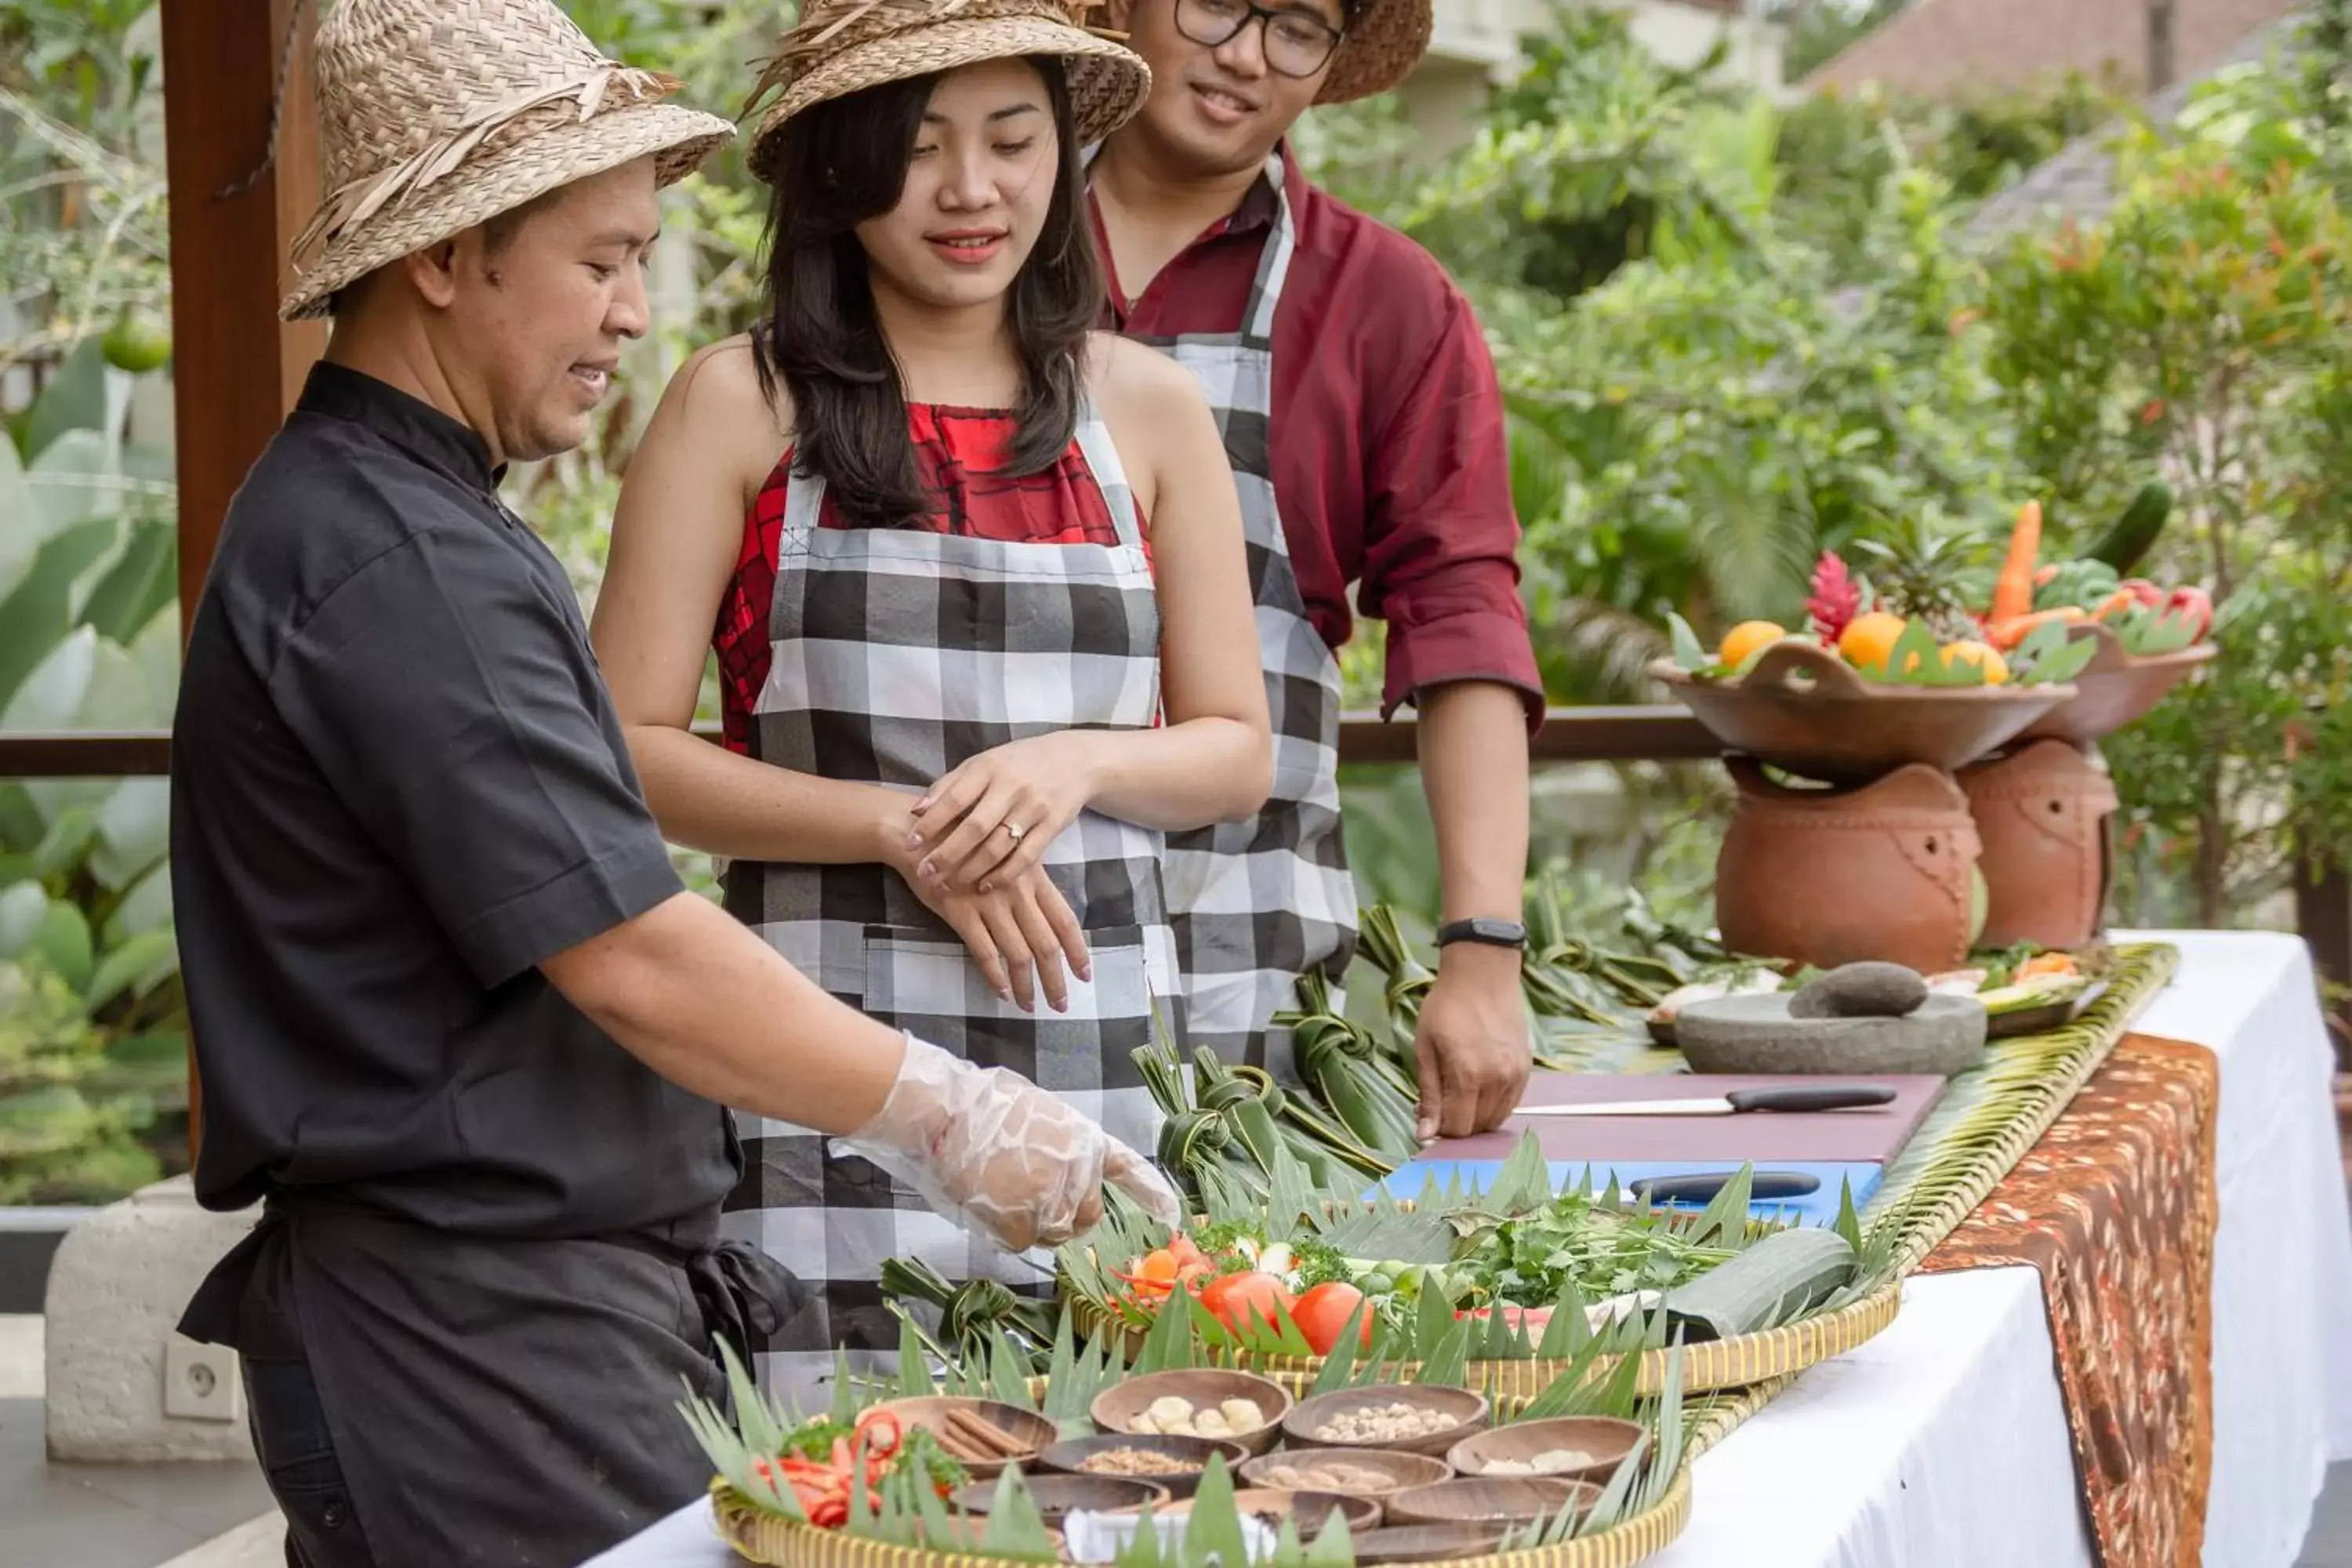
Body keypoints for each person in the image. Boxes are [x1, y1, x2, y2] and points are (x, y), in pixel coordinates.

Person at [169, 3, 1177, 1564]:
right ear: (447, 254)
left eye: (643, 260)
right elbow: (633, 950)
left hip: (527, 1309)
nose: (636, 312)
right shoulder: (390, 553)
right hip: (465, 1331)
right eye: (600, 259)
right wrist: (948, 1109)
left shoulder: (424, 510)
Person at [589, 0, 1272, 1406]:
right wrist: (898, 826)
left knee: (1106, 1461)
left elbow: (1236, 752)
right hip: (816, 1069)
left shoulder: (1144, 411)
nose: (973, 191)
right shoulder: (740, 404)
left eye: (1013, 141)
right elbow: (626, 755)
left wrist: (1075, 765)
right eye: (919, 148)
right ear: (841, 173)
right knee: (831, 1476)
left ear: (1061, 159)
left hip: (1096, 1057)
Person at [1087, 0, 1542, 1140]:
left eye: (1297, 26)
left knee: (1230, 1302)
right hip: (973, 904)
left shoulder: (1386, 302)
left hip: (1247, 930)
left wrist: (1483, 951)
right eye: (1218, 4)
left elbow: (1462, 617)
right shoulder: (970, 236)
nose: (1246, 54)